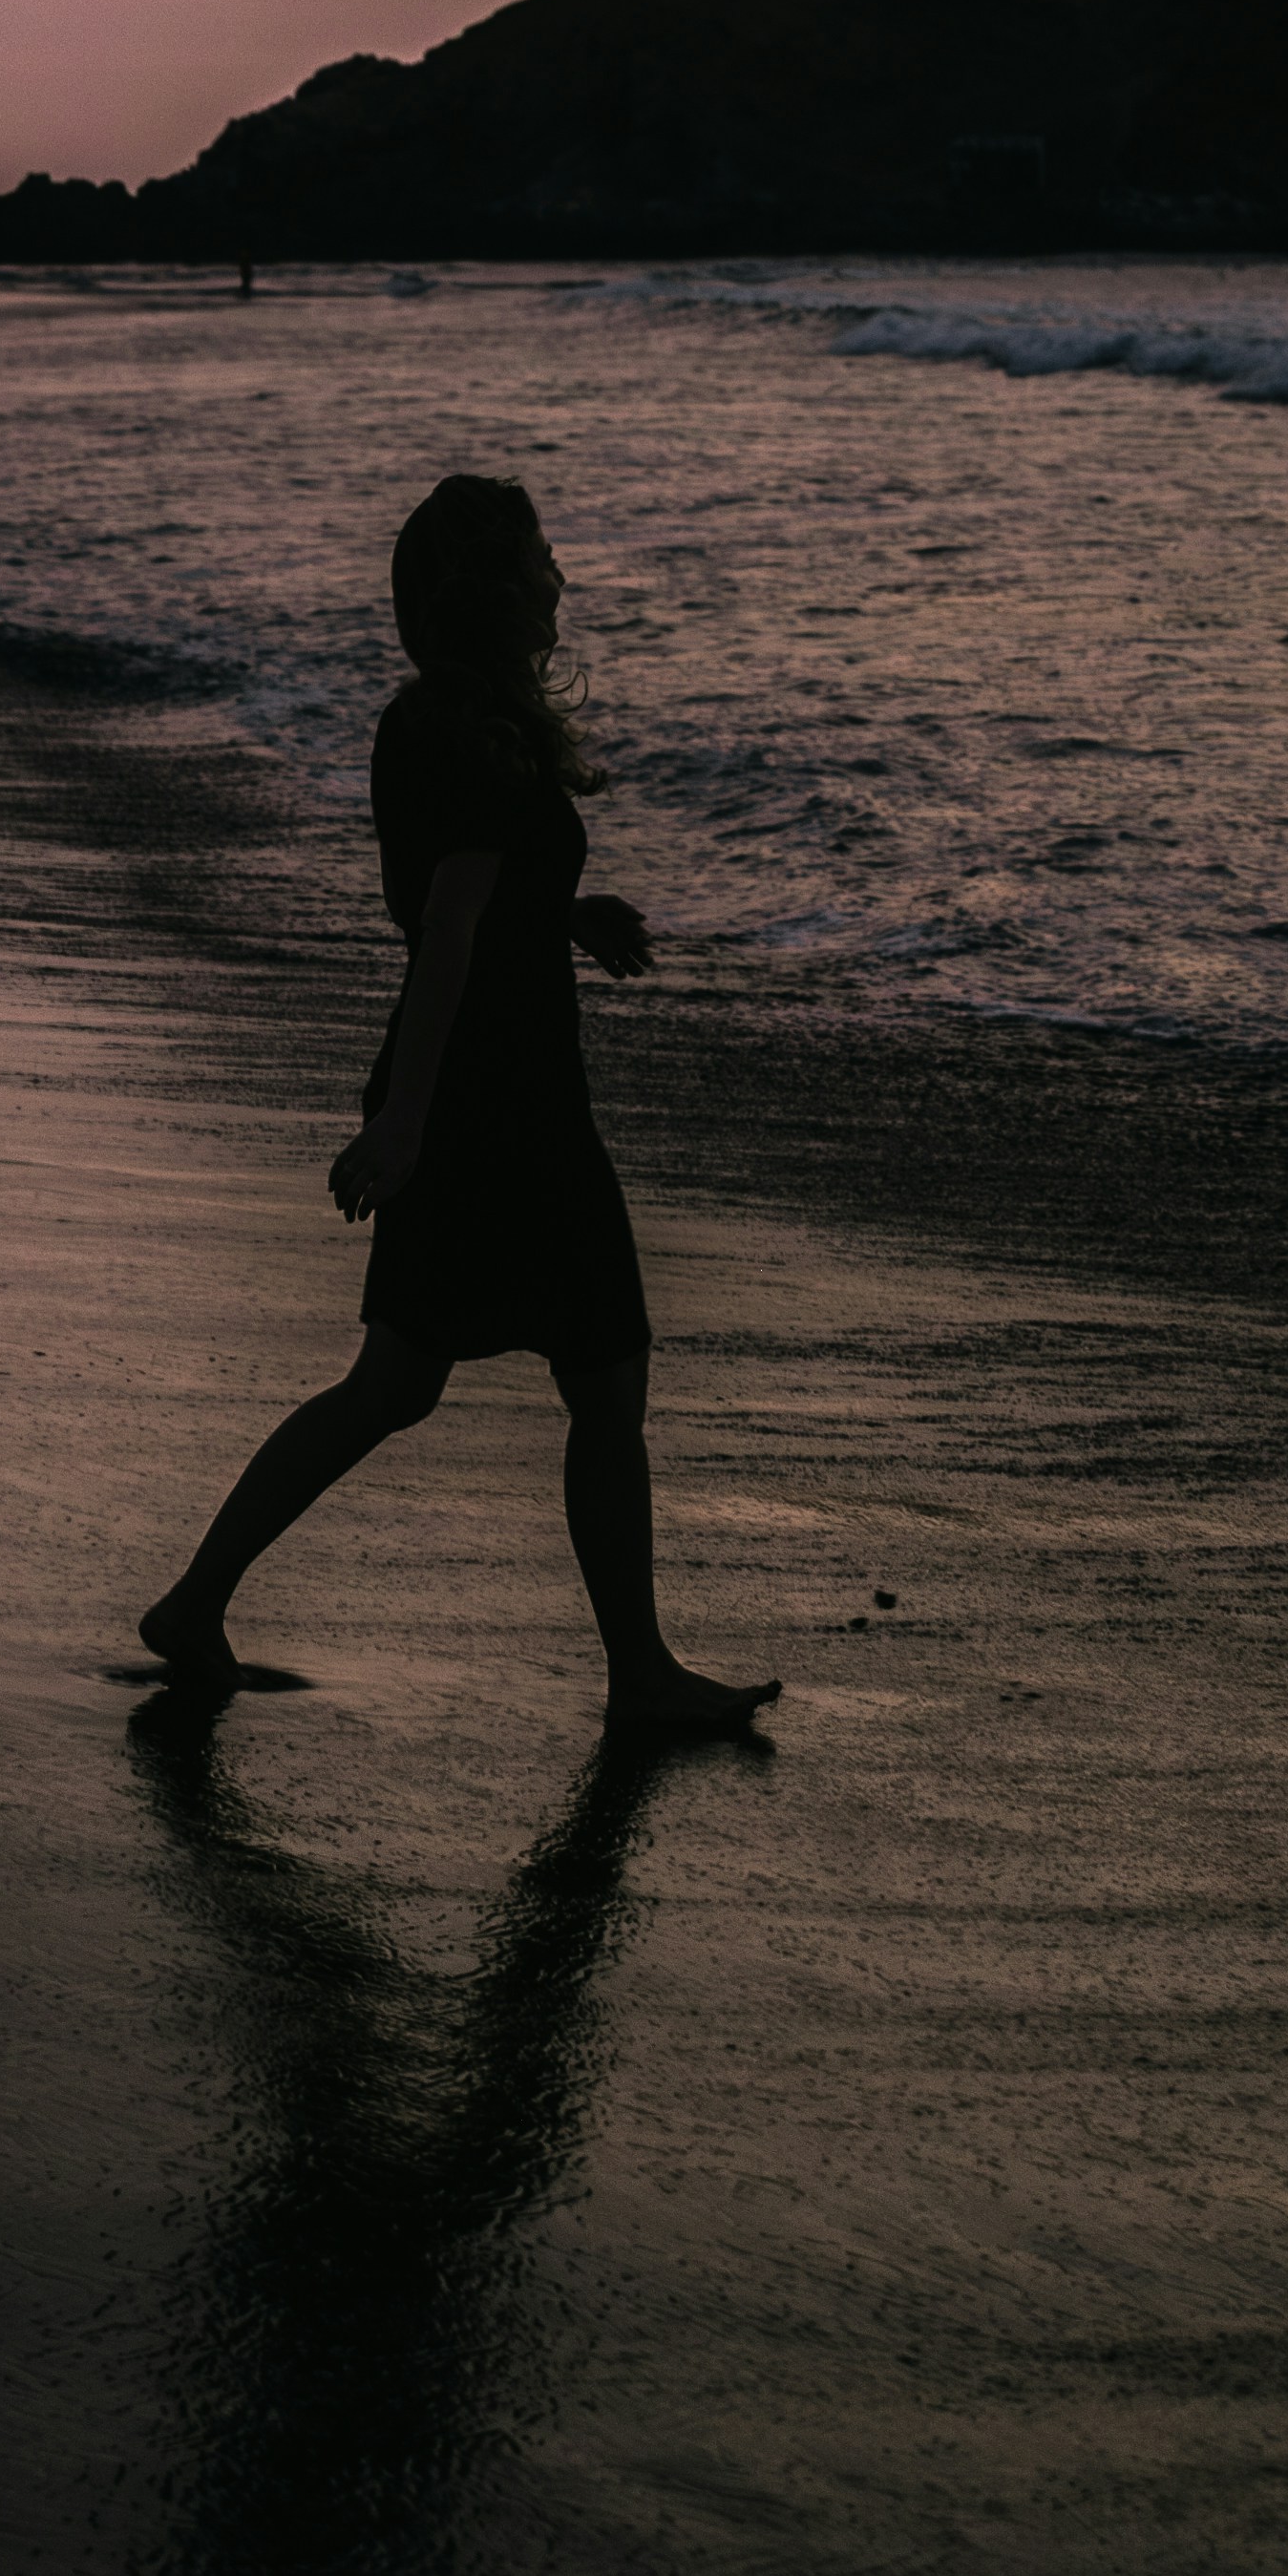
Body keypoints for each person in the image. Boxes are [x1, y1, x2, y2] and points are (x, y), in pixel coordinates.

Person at [140, 473, 775, 1738]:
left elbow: (466, 901)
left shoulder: (435, 719)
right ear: (494, 586)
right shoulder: (479, 737)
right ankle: (637, 1678)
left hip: (494, 1093)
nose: (560, 577)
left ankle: (198, 1599)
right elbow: (444, 927)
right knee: (565, 1379)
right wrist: (405, 1124)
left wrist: (572, 917)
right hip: (500, 1108)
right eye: (542, 557)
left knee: (428, 1380)